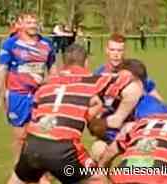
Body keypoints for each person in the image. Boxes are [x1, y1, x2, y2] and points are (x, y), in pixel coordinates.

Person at [7, 44, 110, 184]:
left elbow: (35, 115)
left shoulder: (46, 84)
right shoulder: (91, 81)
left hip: (32, 143)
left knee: (19, 178)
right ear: (86, 62)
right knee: (97, 178)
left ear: (63, 63)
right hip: (63, 148)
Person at [0, 12, 55, 160]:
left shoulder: (46, 44)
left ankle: (40, 172)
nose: (33, 25)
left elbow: (53, 69)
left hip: (41, 95)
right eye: (28, 22)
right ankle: (18, 170)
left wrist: (49, 84)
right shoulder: (11, 44)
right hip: (17, 95)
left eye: (34, 22)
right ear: (20, 24)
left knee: (44, 135)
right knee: (20, 136)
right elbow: (2, 69)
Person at [94, 33, 163, 101]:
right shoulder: (99, 73)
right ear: (107, 50)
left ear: (124, 51)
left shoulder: (134, 71)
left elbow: (153, 93)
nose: (116, 54)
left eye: (119, 50)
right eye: (112, 50)